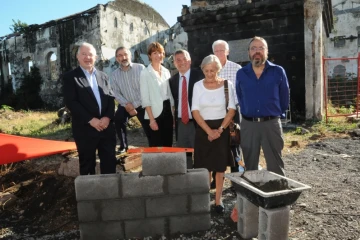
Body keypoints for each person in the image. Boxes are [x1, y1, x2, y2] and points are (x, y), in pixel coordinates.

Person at [236, 36, 290, 176]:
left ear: (267, 51)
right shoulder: (241, 74)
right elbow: (240, 97)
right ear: (248, 52)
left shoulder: (278, 71)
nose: (257, 51)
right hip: (249, 125)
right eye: (253, 48)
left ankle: (278, 194)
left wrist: (277, 115)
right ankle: (252, 196)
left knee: (275, 165)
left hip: (271, 124)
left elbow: (284, 96)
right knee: (250, 165)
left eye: (261, 48)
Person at [63, 42, 116, 175]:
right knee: (87, 165)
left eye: (90, 54)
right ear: (78, 57)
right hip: (85, 129)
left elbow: (110, 98)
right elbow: (71, 102)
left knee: (109, 163)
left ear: (96, 57)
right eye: (84, 54)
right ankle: (91, 195)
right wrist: (90, 120)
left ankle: (110, 193)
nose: (87, 57)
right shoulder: (70, 77)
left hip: (106, 128)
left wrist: (107, 117)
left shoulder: (103, 76)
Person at [192, 54, 235, 213]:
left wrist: (220, 130)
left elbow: (232, 109)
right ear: (202, 70)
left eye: (213, 71)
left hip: (221, 128)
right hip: (203, 129)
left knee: (219, 166)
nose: (209, 74)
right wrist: (209, 131)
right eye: (206, 71)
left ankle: (218, 200)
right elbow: (195, 111)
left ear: (219, 70)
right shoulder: (197, 86)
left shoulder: (227, 84)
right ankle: (205, 199)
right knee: (205, 167)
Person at [212, 40, 243, 187]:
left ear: (228, 52)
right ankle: (215, 179)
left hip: (233, 111)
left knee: (235, 145)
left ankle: (236, 180)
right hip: (215, 113)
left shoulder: (237, 69)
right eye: (216, 51)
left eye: (221, 50)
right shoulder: (210, 69)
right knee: (217, 145)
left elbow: (241, 92)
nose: (219, 53)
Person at [110, 47, 151, 153]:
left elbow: (146, 88)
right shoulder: (114, 74)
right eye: (119, 55)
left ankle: (152, 146)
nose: (123, 57)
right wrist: (127, 105)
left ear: (130, 55)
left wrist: (135, 105)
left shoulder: (140, 68)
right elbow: (115, 92)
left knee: (149, 125)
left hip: (142, 103)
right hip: (125, 105)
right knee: (118, 119)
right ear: (116, 58)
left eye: (125, 54)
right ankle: (123, 146)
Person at [169, 50, 204, 168]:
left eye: (184, 59)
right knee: (183, 153)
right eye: (178, 60)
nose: (181, 62)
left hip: (198, 121)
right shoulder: (172, 80)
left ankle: (201, 177)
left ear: (189, 61)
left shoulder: (199, 76)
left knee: (200, 151)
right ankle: (187, 177)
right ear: (174, 63)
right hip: (181, 123)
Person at [140, 42, 174, 147]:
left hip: (167, 110)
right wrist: (151, 120)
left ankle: (167, 163)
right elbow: (145, 98)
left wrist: (173, 114)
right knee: (156, 145)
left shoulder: (166, 71)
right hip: (153, 112)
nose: (158, 56)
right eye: (154, 53)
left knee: (168, 143)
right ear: (150, 56)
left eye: (160, 53)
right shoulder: (145, 73)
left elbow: (169, 94)